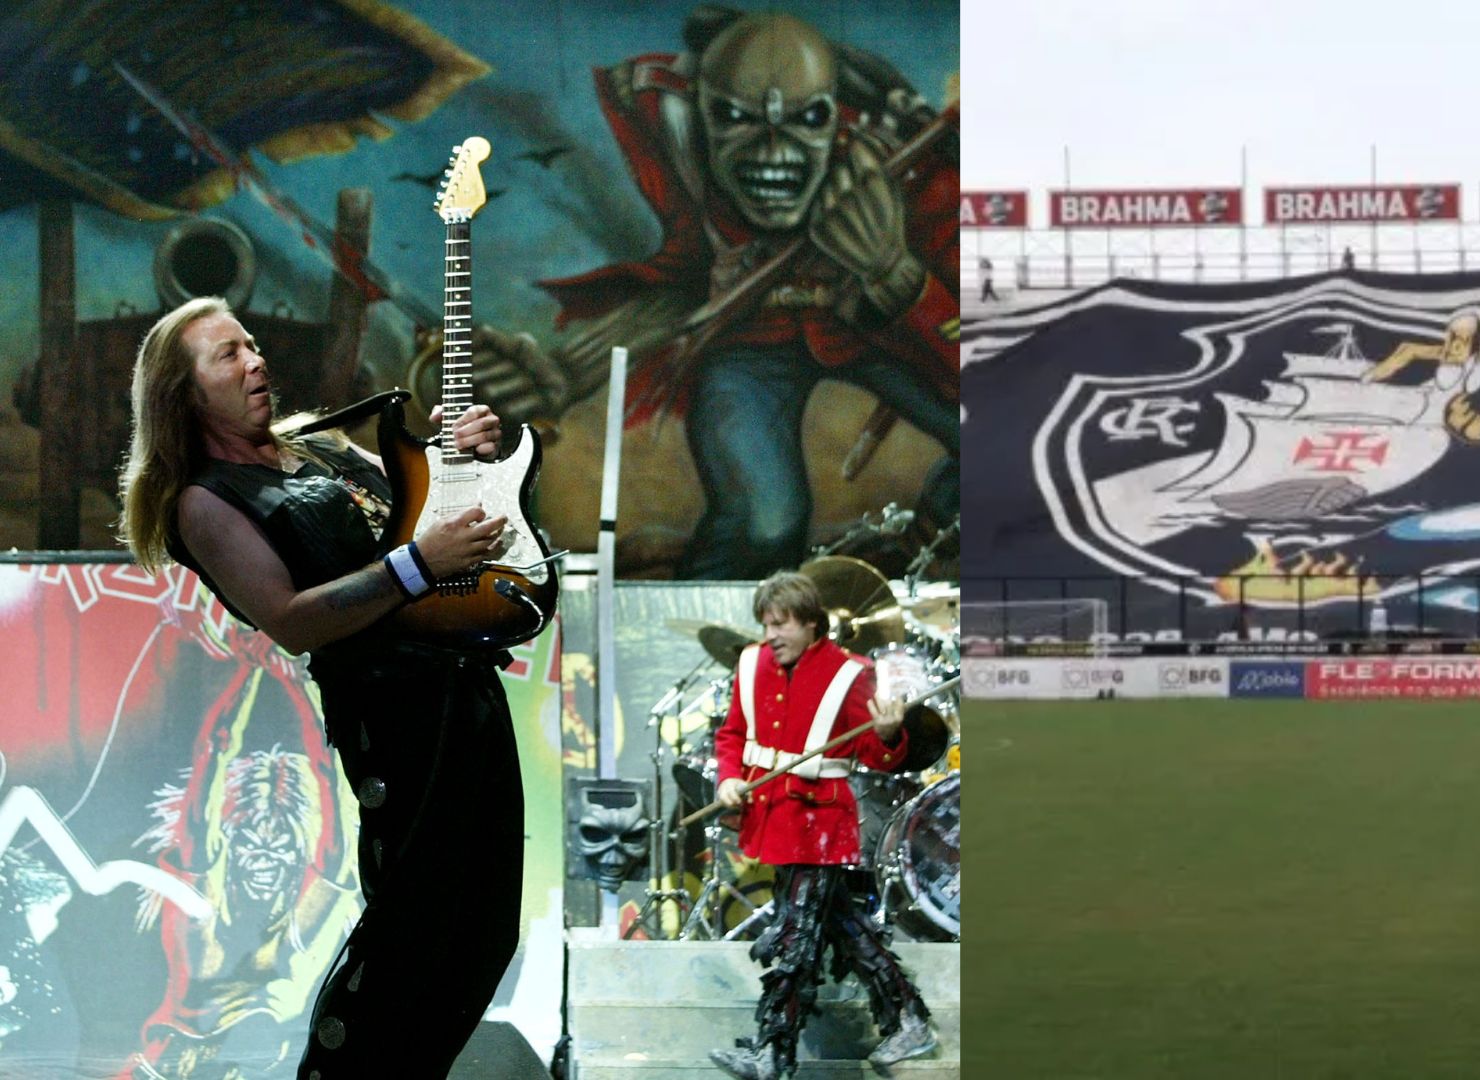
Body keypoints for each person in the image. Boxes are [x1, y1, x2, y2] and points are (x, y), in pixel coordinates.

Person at [116, 296, 523, 1078]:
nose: (256, 361)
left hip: (463, 688)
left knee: (482, 932)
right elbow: (292, 620)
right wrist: (420, 565)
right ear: (184, 393)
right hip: (393, 719)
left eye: (254, 344)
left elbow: (417, 515)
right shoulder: (204, 500)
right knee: (417, 927)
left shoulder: (321, 447)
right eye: (228, 355)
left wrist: (453, 456)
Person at [513, 10, 960, 579]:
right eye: (735, 119)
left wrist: (894, 274)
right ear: (704, 114)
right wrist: (571, 363)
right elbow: (687, 284)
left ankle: (924, 543)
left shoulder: (914, 174)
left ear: (833, 119)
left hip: (883, 333)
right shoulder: (675, 141)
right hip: (752, 340)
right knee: (763, 519)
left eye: (805, 121)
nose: (773, 149)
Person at [708, 572, 937, 1080]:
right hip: (771, 818)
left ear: (812, 624)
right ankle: (908, 1019)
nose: (771, 635)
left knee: (794, 937)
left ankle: (773, 1052)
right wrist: (727, 778)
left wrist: (887, 733)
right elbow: (731, 735)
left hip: (821, 826)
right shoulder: (751, 665)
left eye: (782, 624)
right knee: (842, 925)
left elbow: (876, 757)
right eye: (766, 624)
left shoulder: (851, 674)